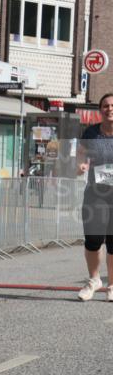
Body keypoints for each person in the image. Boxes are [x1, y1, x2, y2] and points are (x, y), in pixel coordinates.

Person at [76, 92, 113, 301]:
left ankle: (112, 286)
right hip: (96, 193)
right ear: (100, 110)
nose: (110, 109)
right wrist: (81, 163)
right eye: (105, 105)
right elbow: (81, 152)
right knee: (93, 239)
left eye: (112, 105)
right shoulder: (91, 132)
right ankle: (94, 280)